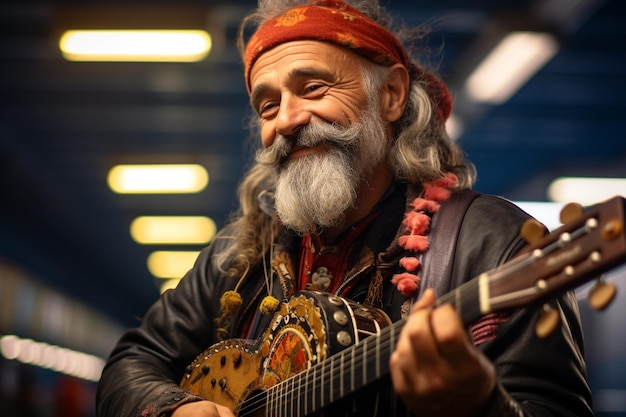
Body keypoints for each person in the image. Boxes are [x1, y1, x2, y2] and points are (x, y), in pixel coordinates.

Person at [96, 0, 594, 416]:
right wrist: (172, 408)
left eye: (313, 88)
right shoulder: (239, 253)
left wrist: (480, 404)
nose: (287, 120)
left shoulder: (495, 242)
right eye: (267, 106)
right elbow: (133, 361)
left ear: (392, 96)